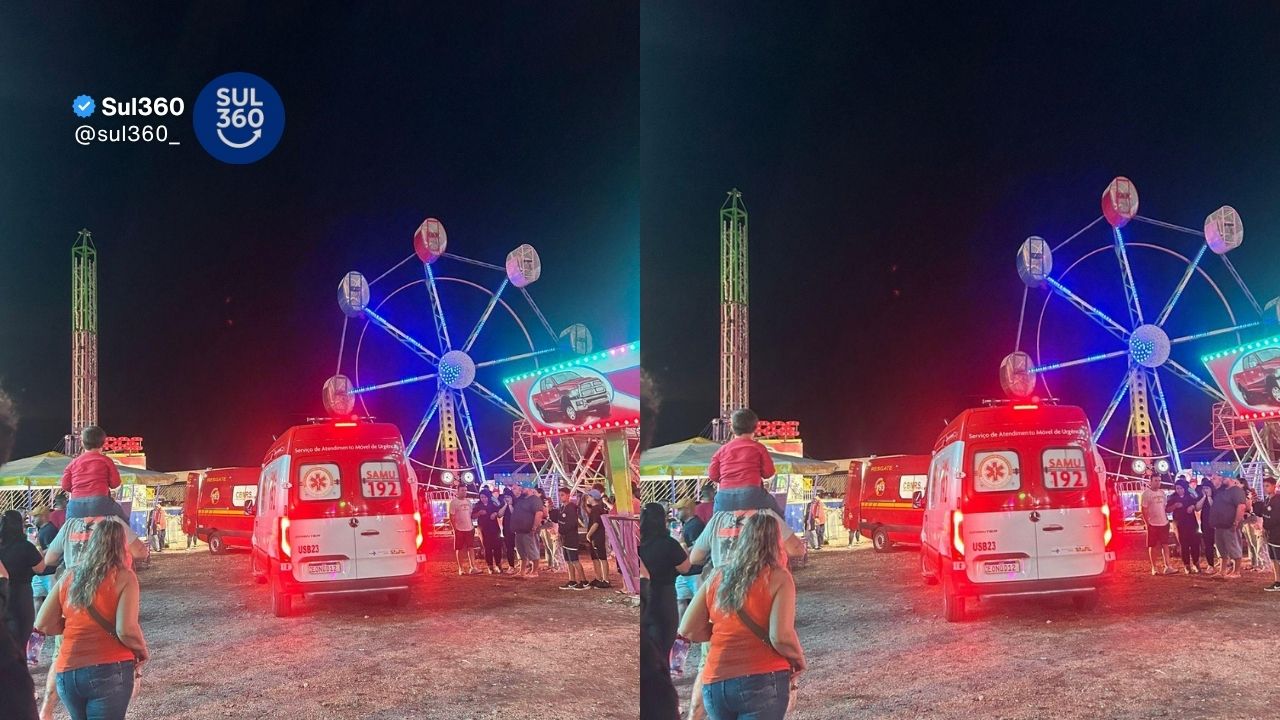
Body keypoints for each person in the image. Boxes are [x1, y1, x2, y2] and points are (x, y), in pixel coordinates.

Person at [679, 511, 806, 720]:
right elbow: (780, 636)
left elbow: (687, 628)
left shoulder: (718, 575)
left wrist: (724, 631)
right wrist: (799, 660)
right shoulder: (779, 578)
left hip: (716, 682)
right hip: (763, 678)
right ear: (776, 543)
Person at [36, 519, 148, 720]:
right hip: (109, 667)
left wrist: (72, 625)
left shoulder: (70, 576)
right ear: (122, 545)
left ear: (92, 543)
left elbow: (42, 623)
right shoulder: (124, 577)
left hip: (68, 672)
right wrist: (142, 651)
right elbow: (126, 630)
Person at [639, 503, 692, 670]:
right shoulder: (669, 543)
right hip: (665, 598)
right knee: (662, 648)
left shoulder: (639, 543)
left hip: (644, 595)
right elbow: (685, 568)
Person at [709, 409, 780, 514]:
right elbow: (768, 473)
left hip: (724, 498)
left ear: (732, 428)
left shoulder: (721, 450)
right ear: (755, 428)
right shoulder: (759, 448)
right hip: (752, 495)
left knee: (714, 523)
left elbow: (713, 475)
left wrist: (728, 480)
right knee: (778, 513)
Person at [0, 509, 46, 661]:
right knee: (21, 636)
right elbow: (40, 568)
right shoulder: (26, 546)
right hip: (22, 595)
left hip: (2, 592)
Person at [59, 426, 129, 523]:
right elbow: (115, 484)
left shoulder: (73, 463)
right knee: (124, 521)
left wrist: (79, 490)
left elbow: (65, 485)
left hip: (76, 505)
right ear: (103, 443)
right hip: (100, 503)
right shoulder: (106, 461)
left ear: (82, 443)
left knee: (67, 528)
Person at [1209, 474, 1248, 579]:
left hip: (1230, 525)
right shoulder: (1221, 491)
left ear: (1231, 479)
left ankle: (1236, 571)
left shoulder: (1236, 491)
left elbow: (1241, 506)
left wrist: (1236, 521)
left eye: (1224, 478)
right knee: (1221, 549)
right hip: (1219, 525)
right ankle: (1222, 571)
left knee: (1234, 547)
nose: (1222, 480)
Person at [552, 488, 588, 590]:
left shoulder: (571, 508)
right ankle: (572, 580)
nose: (560, 497)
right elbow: (557, 519)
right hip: (564, 538)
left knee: (575, 560)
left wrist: (562, 531)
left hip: (571, 537)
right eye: (559, 495)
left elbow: (572, 524)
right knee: (568, 560)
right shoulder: (562, 507)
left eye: (562, 495)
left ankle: (583, 581)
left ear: (568, 495)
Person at [1140, 475, 1175, 575]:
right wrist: (1147, 523)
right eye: (1155, 481)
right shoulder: (1146, 494)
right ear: (1150, 481)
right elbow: (1144, 510)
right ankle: (1154, 567)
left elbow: (1164, 507)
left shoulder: (1162, 493)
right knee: (1153, 546)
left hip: (1163, 522)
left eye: (1159, 481)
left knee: (1165, 544)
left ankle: (1168, 566)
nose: (1158, 483)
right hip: (1153, 524)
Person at [510, 484, 546, 578]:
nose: (522, 490)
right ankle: (522, 572)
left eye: (524, 488)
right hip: (519, 531)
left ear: (529, 489)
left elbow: (539, 513)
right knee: (521, 552)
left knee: (532, 550)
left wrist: (534, 527)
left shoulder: (534, 499)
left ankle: (534, 571)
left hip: (529, 530)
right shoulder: (521, 500)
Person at [1166, 480, 1201, 574]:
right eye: (1177, 488)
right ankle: (1186, 565)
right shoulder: (1172, 497)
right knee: (1183, 545)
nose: (1179, 490)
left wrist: (1192, 507)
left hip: (1192, 523)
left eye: (1181, 488)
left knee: (1195, 543)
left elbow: (1196, 504)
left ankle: (1196, 563)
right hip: (1179, 524)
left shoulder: (1190, 496)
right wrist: (1175, 506)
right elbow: (1167, 509)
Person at [1254, 476, 1280, 591]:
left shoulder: (1277, 500)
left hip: (1277, 534)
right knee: (1274, 558)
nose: (1265, 488)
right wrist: (1255, 501)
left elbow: (1275, 518)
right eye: (1264, 486)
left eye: (1267, 486)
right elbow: (1261, 513)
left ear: (1274, 486)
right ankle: (1277, 581)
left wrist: (1266, 526)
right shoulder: (1267, 500)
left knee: (1278, 558)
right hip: (1270, 534)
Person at [447, 484, 480, 576]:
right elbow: (451, 517)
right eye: (462, 490)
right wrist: (455, 529)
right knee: (459, 549)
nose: (464, 492)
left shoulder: (469, 502)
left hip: (469, 528)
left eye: (465, 490)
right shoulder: (454, 502)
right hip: (459, 529)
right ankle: (461, 568)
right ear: (457, 491)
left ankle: (473, 567)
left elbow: (470, 515)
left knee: (471, 547)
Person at [584, 490, 613, 589]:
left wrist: (589, 534)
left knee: (601, 558)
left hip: (597, 536)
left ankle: (605, 579)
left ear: (593, 497)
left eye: (589, 496)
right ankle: (599, 578)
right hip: (595, 537)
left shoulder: (597, 509)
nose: (587, 498)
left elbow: (596, 523)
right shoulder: (596, 509)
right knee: (595, 558)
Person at [473, 488, 505, 574]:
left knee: (497, 547)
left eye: (485, 497)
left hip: (494, 528)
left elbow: (499, 512)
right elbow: (472, 516)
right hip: (483, 529)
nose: (483, 499)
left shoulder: (493, 504)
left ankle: (498, 564)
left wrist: (495, 514)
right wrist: (479, 513)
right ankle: (490, 566)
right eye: (482, 497)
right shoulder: (478, 505)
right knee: (487, 548)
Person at [1197, 478, 1217, 575]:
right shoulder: (1201, 497)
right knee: (1208, 545)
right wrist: (1204, 497)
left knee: (1219, 544)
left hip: (1216, 524)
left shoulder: (1215, 496)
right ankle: (1210, 564)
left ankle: (1224, 563)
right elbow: (1197, 508)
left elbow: (1214, 507)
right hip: (1205, 524)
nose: (1205, 490)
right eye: (1204, 488)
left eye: (1207, 488)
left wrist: (1209, 497)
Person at [496, 488, 518, 573]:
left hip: (516, 528)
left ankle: (523, 564)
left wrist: (510, 505)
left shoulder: (515, 504)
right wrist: (505, 505)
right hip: (507, 529)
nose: (507, 499)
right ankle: (511, 565)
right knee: (509, 548)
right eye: (505, 497)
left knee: (520, 547)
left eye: (508, 497)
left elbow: (514, 513)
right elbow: (499, 515)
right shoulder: (502, 504)